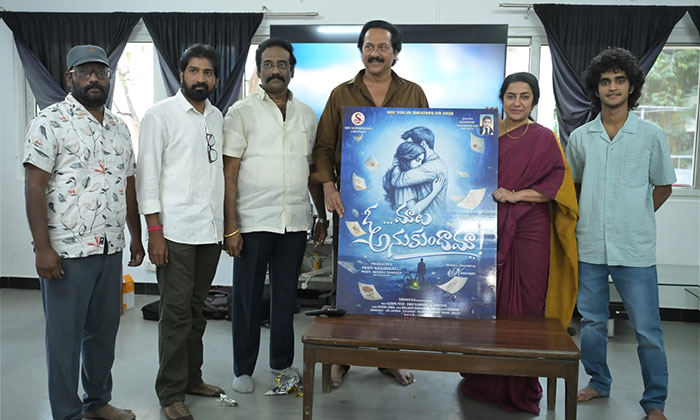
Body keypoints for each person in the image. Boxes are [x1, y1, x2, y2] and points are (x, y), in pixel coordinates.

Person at [23, 44, 144, 420]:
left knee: (104, 332)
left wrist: (136, 236)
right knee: (64, 338)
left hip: (110, 248)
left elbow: (128, 185)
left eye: (101, 72)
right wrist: (42, 247)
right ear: (69, 77)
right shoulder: (50, 121)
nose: (94, 78)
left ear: (109, 77)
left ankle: (97, 401)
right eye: (85, 72)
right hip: (67, 253)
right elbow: (34, 186)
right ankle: (66, 412)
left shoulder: (119, 128)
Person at [312, 19, 429, 389]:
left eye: (383, 47)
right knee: (347, 283)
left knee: (395, 283)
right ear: (361, 51)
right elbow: (323, 148)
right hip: (352, 207)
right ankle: (340, 358)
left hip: (400, 207)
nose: (375, 53)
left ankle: (389, 358)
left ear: (395, 53)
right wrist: (329, 188)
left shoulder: (413, 93)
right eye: (368, 47)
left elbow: (428, 147)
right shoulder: (340, 94)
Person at [459, 72, 579, 415]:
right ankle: (484, 376)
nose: (517, 103)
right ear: (501, 99)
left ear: (534, 101)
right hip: (486, 225)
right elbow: (468, 172)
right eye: (510, 96)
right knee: (486, 300)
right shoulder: (485, 133)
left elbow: (556, 185)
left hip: (530, 228)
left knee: (528, 301)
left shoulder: (543, 137)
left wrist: (515, 195)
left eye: (525, 96)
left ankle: (520, 380)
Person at [566, 48, 675, 420]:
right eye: (605, 81)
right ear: (596, 89)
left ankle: (655, 403)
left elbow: (663, 186)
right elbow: (574, 187)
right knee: (592, 324)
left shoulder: (651, 135)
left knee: (647, 330)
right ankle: (598, 382)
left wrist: (635, 217)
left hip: (635, 249)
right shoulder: (581, 137)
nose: (612, 87)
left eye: (619, 80)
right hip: (590, 245)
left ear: (631, 86)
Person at [222, 38, 325, 394]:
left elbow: (311, 171)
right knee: (247, 299)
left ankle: (282, 364)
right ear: (259, 70)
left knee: (285, 299)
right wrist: (231, 227)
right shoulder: (240, 113)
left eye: (282, 64)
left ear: (292, 70)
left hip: (294, 221)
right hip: (252, 222)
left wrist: (321, 215)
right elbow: (229, 173)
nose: (275, 71)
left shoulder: (307, 114)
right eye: (268, 64)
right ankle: (242, 369)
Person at [136, 44, 226, 420]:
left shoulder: (217, 117)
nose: (200, 78)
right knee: (175, 313)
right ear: (181, 74)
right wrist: (154, 232)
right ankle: (170, 393)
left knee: (196, 311)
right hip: (174, 232)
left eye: (207, 72)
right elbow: (147, 177)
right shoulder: (160, 115)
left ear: (216, 78)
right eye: (193, 71)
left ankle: (192, 378)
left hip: (209, 231)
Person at [390, 126, 448, 216]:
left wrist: (396, 164)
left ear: (423, 144)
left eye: (411, 144)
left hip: (430, 218)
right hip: (423, 218)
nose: (408, 148)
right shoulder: (428, 163)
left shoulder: (430, 167)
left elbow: (396, 180)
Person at [382, 140, 445, 216]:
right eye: (417, 160)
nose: (420, 164)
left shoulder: (400, 175)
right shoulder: (404, 184)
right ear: (407, 158)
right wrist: (435, 192)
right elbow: (412, 211)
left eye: (421, 161)